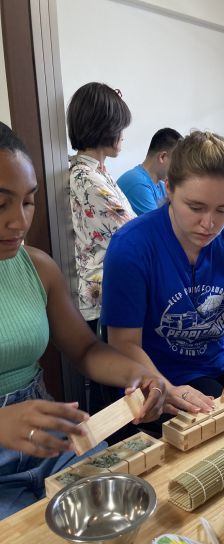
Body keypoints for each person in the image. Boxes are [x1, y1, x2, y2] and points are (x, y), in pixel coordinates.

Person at [0, 122, 166, 518]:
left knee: (136, 507)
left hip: (54, 447)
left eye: (28, 201)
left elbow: (87, 349)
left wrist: (140, 374)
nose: (19, 222)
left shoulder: (37, 268)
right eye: (0, 203)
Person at [102, 130, 224, 416]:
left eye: (223, 209)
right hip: (160, 374)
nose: (209, 223)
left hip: (222, 362)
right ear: (169, 188)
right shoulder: (131, 247)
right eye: (195, 207)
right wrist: (164, 387)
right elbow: (123, 344)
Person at [67, 82, 136, 331]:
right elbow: (134, 230)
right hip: (102, 298)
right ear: (104, 127)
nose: (122, 135)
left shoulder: (96, 172)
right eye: (119, 127)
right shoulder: (87, 178)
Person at [118, 127, 182, 215]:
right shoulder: (137, 183)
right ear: (162, 157)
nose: (179, 169)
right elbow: (158, 226)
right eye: (178, 162)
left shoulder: (161, 185)